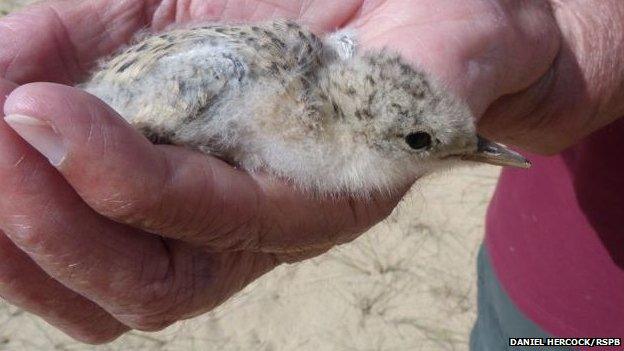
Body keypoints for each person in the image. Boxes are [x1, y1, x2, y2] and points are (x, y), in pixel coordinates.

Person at [0, 0, 621, 347]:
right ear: (367, 139)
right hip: (552, 295)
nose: (483, 154)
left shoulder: (315, 71)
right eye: (422, 143)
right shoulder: (271, 105)